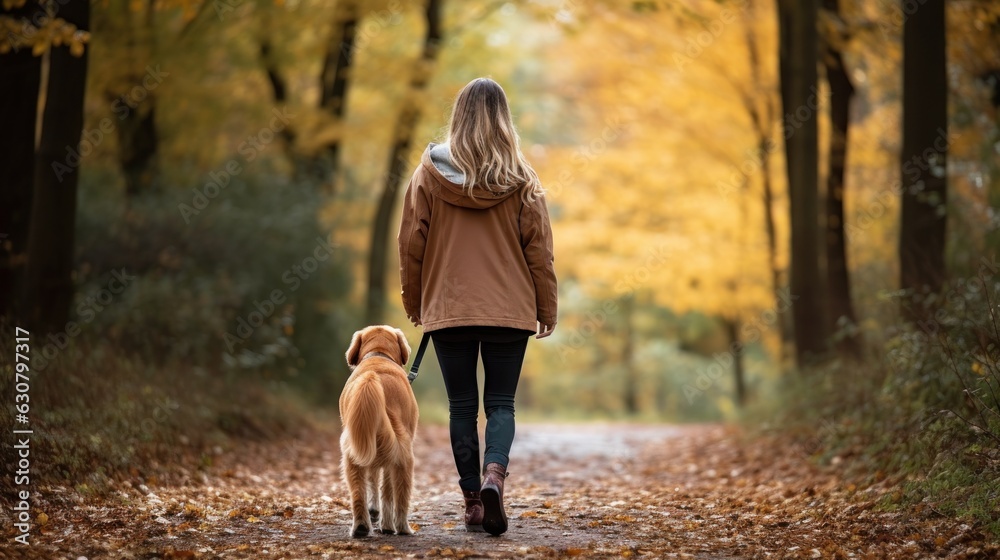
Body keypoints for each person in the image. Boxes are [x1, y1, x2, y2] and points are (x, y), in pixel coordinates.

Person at [397, 77, 558, 536]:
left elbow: (411, 243)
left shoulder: (427, 173)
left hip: (449, 308)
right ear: (503, 118)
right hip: (509, 308)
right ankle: (494, 477)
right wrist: (546, 307)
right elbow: (539, 251)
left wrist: (416, 301)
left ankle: (471, 501)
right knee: (502, 403)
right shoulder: (523, 177)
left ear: (458, 115)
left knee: (461, 407)